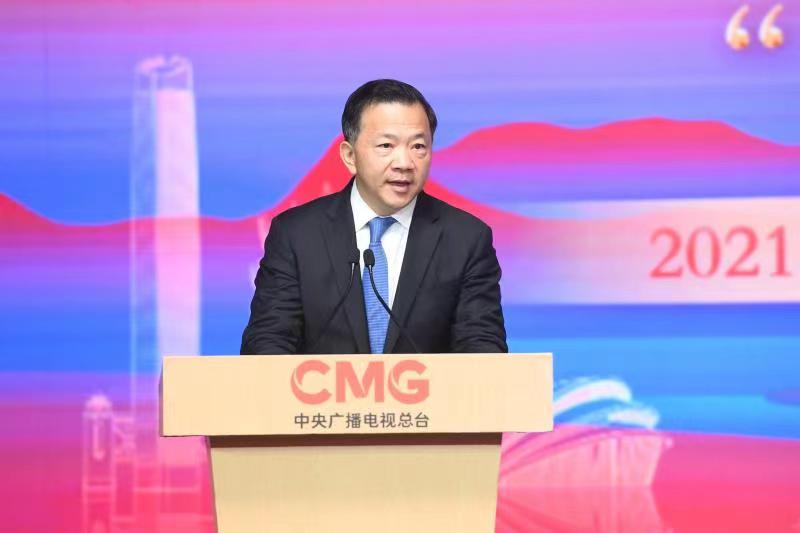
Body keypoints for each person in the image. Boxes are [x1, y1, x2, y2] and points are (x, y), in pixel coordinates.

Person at [241, 79, 506, 355]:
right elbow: (267, 344)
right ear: (349, 156)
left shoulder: (466, 239)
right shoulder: (296, 235)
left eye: (418, 147)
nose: (404, 163)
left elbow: (483, 350)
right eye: (386, 145)